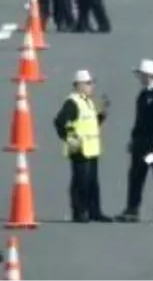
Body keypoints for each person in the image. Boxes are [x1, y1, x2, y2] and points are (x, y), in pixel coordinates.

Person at [52, 69, 112, 223]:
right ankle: (79, 212)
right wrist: (68, 138)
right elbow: (59, 121)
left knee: (92, 183)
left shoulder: (88, 102)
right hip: (79, 149)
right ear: (78, 85)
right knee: (80, 182)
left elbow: (91, 124)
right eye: (88, 83)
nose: (92, 86)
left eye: (92, 83)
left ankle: (94, 211)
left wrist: (102, 115)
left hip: (91, 149)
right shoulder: (72, 102)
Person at [118, 59, 153, 223]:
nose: (139, 78)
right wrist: (133, 139)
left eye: (141, 75)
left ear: (149, 75)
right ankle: (132, 208)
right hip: (140, 145)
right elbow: (139, 120)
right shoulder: (142, 95)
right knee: (135, 175)